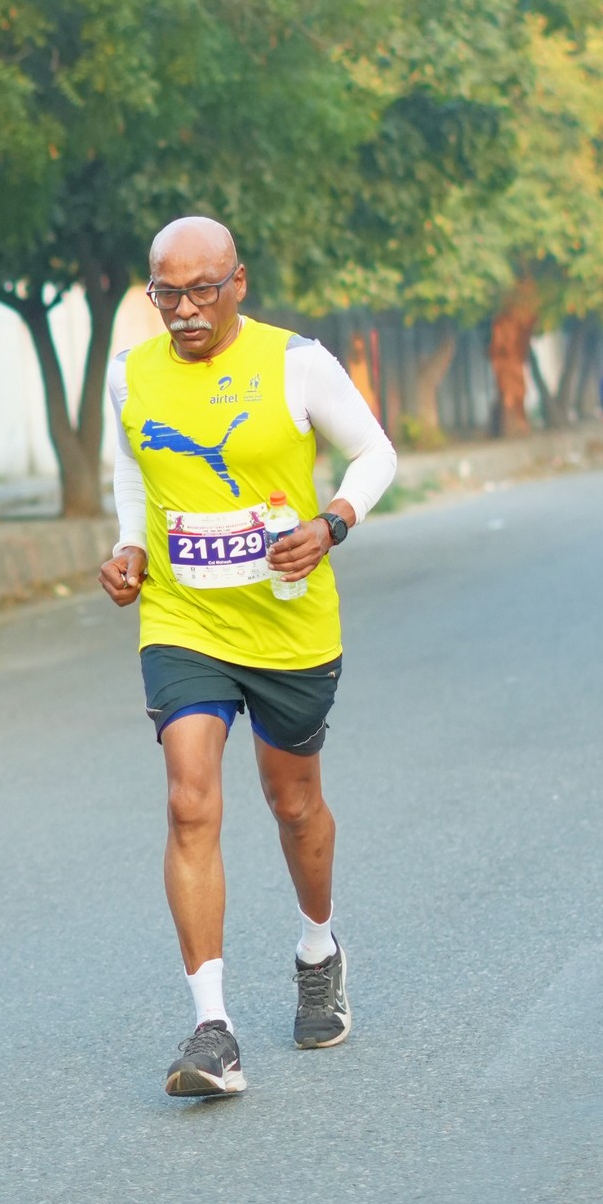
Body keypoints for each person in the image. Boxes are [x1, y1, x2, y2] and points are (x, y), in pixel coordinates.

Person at [99, 216, 396, 1098]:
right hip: (182, 615)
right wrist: (129, 544)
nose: (184, 310)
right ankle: (212, 1028)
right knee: (189, 799)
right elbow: (133, 466)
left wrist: (331, 522)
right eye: (166, 294)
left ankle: (318, 948)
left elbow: (374, 451)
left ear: (237, 283)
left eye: (201, 291)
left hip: (286, 620)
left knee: (293, 803)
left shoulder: (295, 362)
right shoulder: (130, 373)